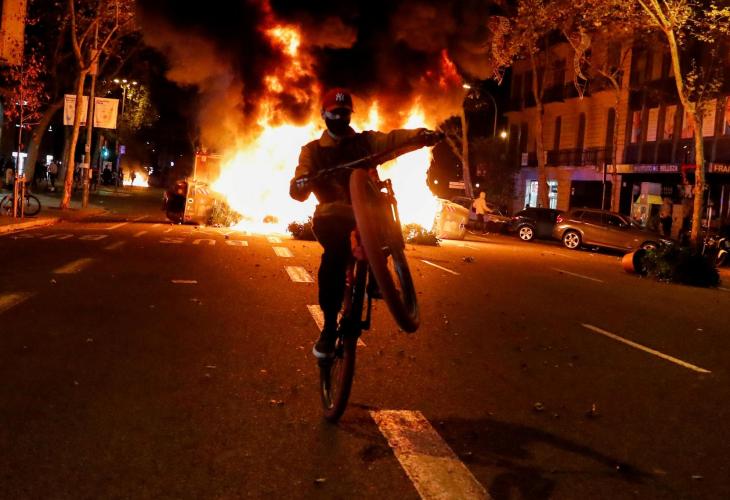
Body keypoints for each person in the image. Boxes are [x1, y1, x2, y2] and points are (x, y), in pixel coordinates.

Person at [289, 88, 443, 359]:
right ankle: (328, 328)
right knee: (333, 260)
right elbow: (300, 184)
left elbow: (393, 140)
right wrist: (300, 183)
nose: (340, 118)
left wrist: (422, 136)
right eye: (335, 113)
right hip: (332, 216)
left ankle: (379, 273)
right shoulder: (312, 151)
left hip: (369, 214)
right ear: (324, 115)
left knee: (384, 216)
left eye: (344, 113)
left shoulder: (365, 142)